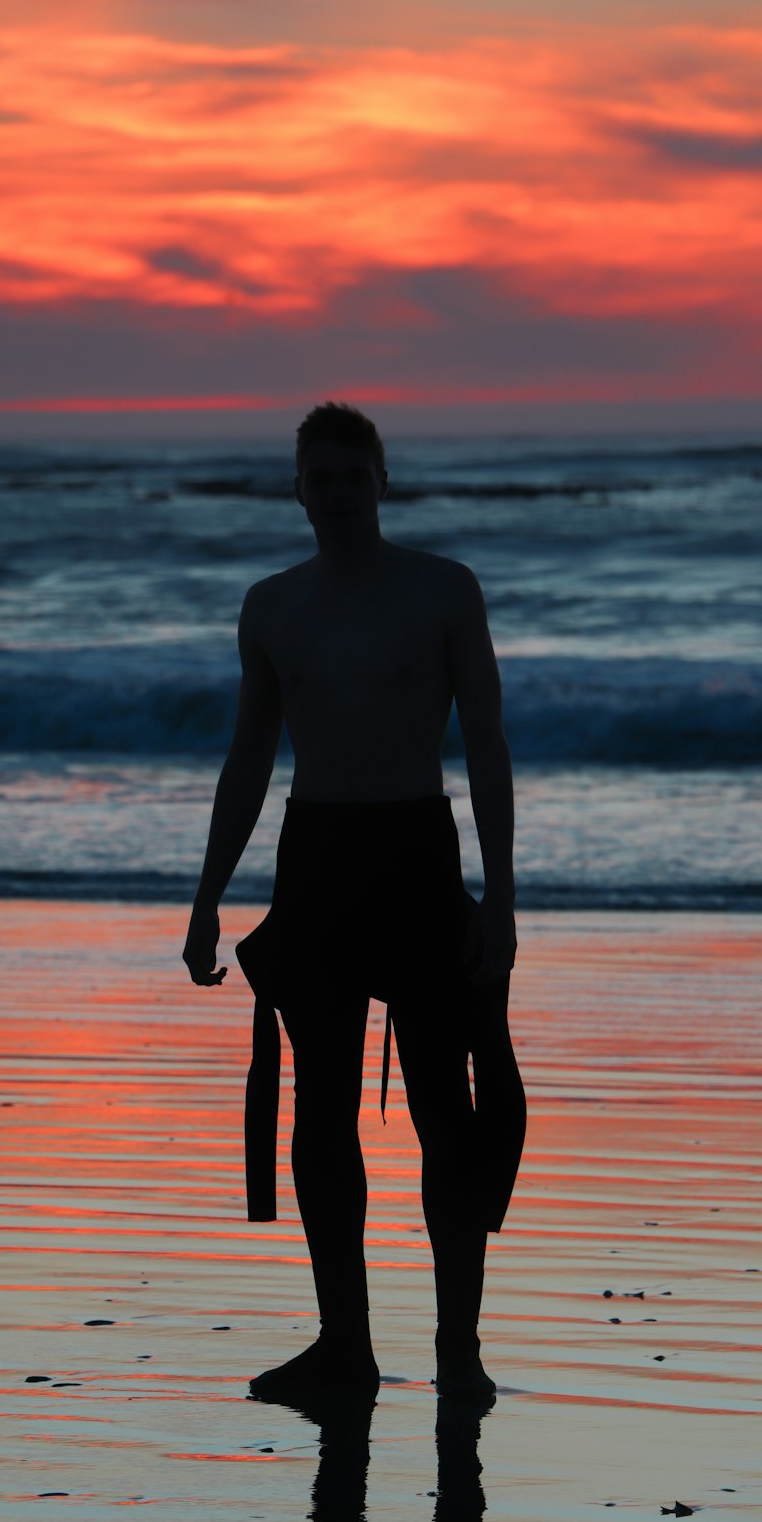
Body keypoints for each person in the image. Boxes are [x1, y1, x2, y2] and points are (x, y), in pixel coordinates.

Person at [183, 401, 525, 1404]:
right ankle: (348, 1348)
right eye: (318, 477)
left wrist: (500, 900)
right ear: (298, 490)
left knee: (443, 1112)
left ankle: (458, 1352)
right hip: (317, 859)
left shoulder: (443, 592)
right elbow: (248, 759)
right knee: (321, 1112)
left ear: (382, 480)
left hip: (419, 853)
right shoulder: (272, 606)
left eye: (352, 474)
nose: (336, 492)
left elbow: (490, 748)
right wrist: (208, 897)